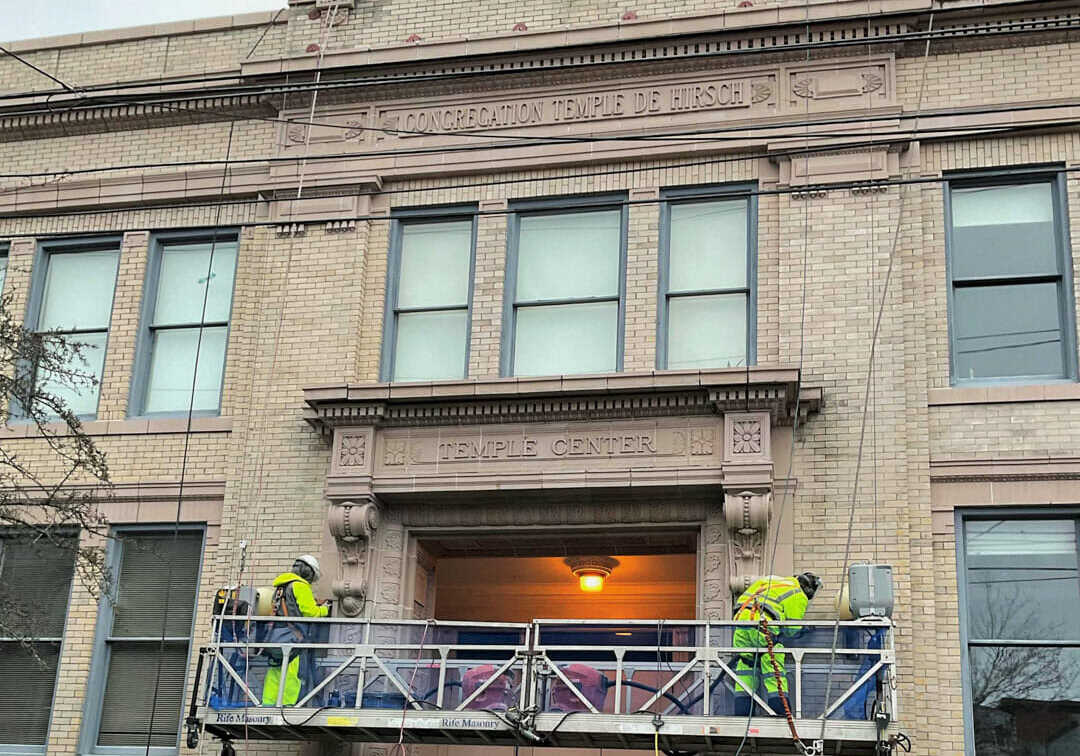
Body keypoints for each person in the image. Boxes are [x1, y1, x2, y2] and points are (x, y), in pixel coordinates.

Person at [731, 572, 821, 717]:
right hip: (762, 628)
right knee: (774, 664)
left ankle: (742, 712)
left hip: (740, 625)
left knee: (746, 666)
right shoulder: (798, 594)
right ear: (809, 589)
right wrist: (804, 630)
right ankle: (780, 710)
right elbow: (791, 629)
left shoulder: (771, 580)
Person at [261, 555, 330, 706]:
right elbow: (310, 613)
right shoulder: (300, 586)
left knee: (274, 673)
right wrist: (325, 609)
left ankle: (268, 704)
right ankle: (287, 705)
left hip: (276, 637)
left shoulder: (281, 587)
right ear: (308, 573)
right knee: (293, 674)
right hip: (293, 638)